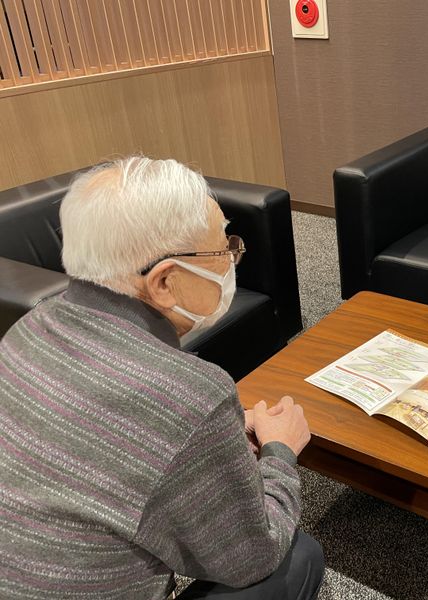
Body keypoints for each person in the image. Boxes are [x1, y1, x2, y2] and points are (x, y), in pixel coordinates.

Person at [0, 157, 324, 599]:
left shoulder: (26, 330)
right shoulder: (191, 393)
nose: (231, 262)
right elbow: (252, 556)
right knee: (299, 557)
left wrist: (209, 438)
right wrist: (280, 451)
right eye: (223, 251)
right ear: (165, 283)